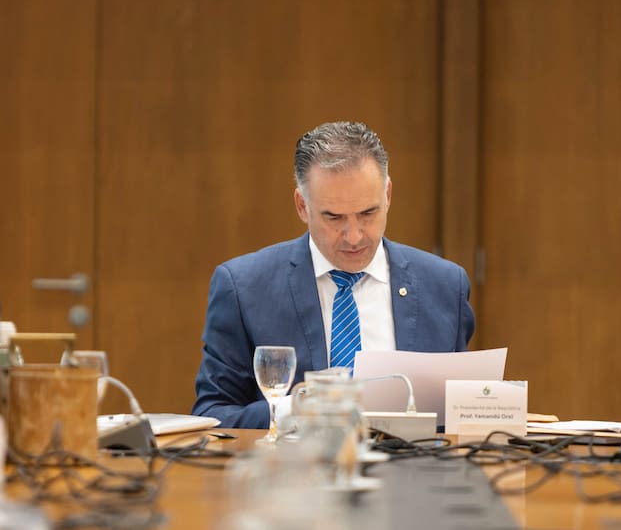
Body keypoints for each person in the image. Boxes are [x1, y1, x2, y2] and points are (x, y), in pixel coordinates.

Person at [192, 121, 475, 428]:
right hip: (295, 458)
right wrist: (293, 410)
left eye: (368, 213)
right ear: (302, 206)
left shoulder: (445, 286)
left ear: (388, 195)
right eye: (334, 217)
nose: (354, 236)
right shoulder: (245, 288)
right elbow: (212, 415)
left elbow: (458, 415)